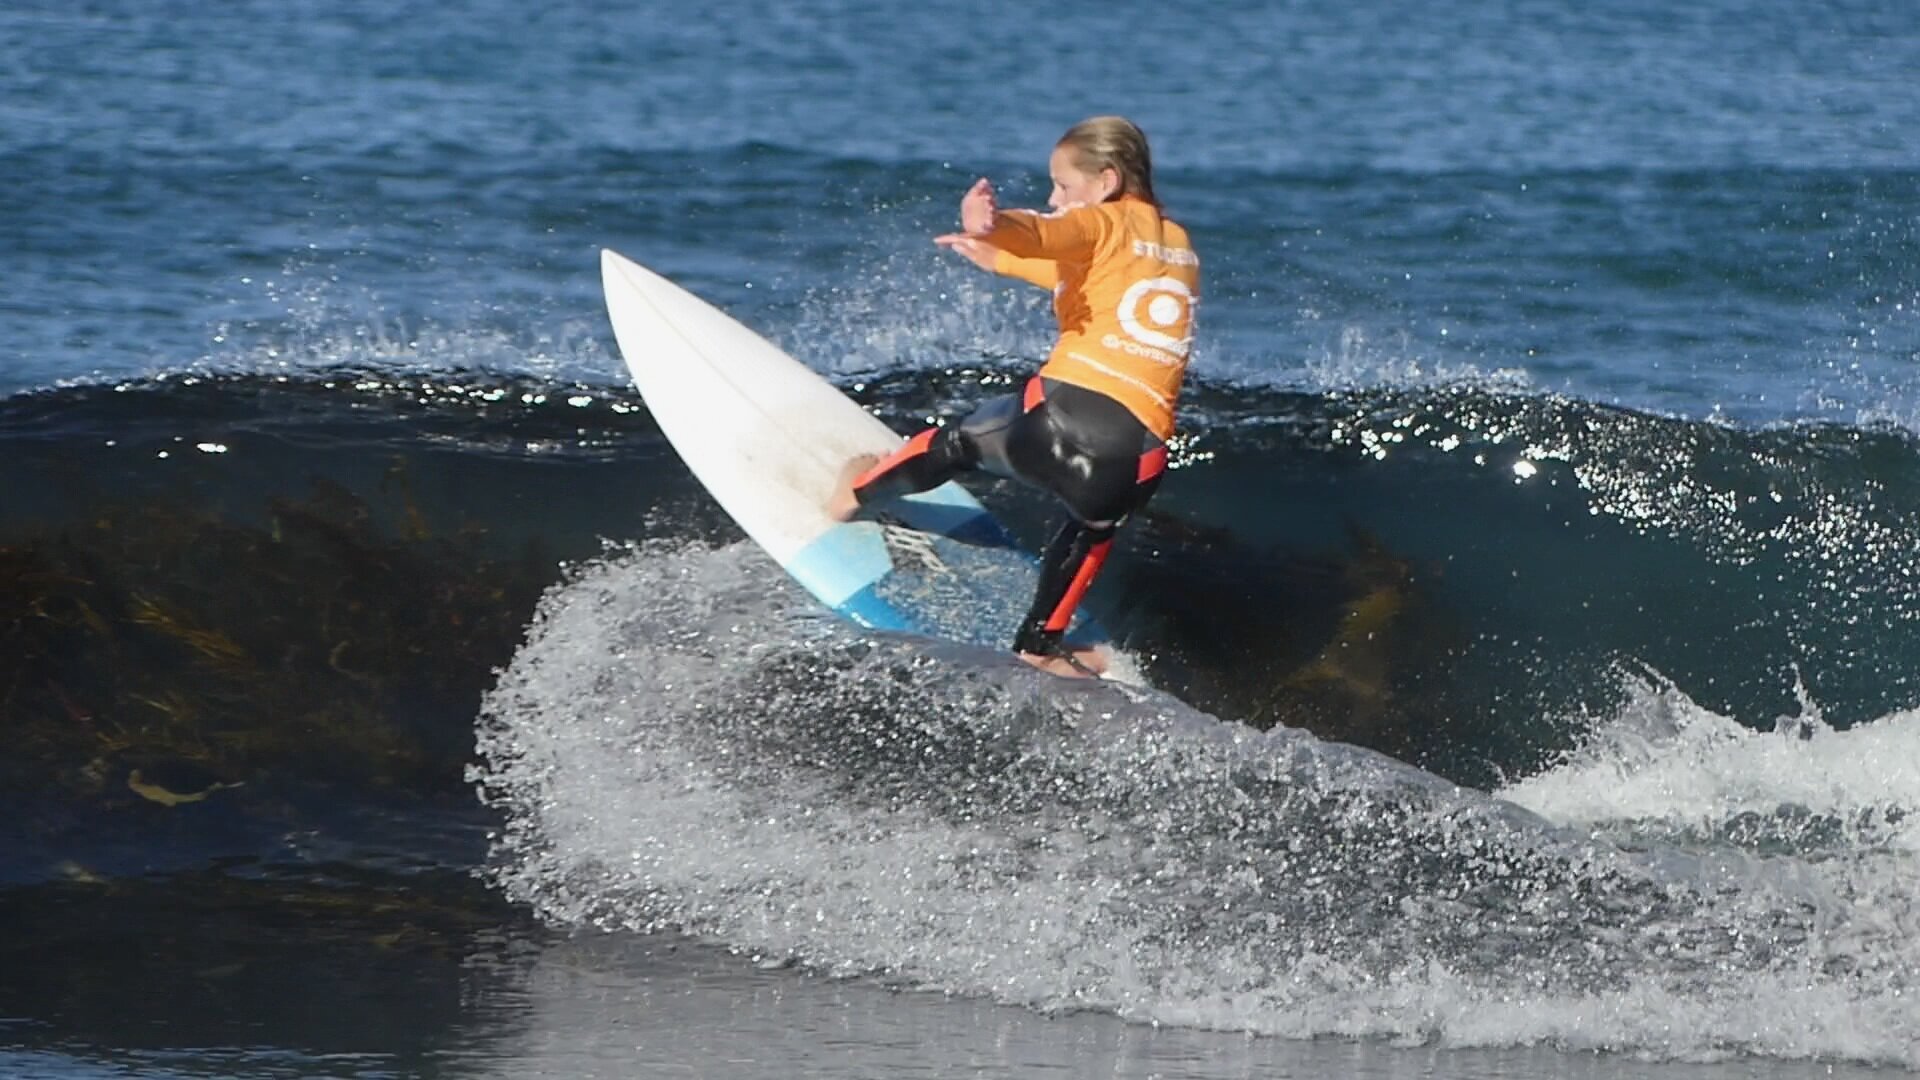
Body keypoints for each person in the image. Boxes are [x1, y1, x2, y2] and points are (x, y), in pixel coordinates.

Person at [829, 116, 1200, 678]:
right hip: (1136, 464)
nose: (1054, 198)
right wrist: (999, 256)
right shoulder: (1176, 246)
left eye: (1062, 187)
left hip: (1057, 419)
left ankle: (854, 493)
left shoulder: (1101, 221)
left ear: (1105, 181)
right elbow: (1088, 275)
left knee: (960, 442)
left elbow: (1049, 234)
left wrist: (997, 224)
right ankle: (1041, 646)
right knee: (1092, 530)